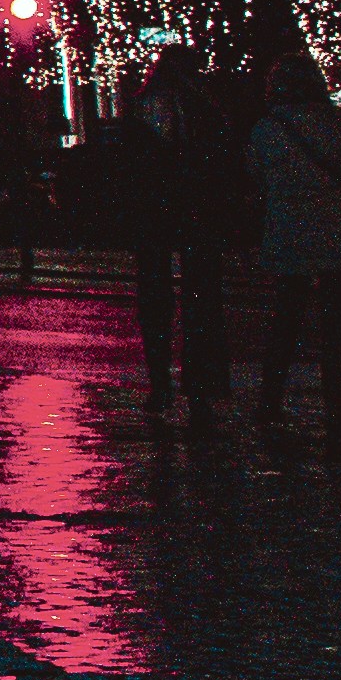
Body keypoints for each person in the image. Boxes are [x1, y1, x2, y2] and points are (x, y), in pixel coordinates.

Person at [248, 56, 341, 436]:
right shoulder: (335, 124)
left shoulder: (267, 129)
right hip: (335, 227)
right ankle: (336, 408)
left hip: (289, 229)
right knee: (336, 324)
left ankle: (271, 399)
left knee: (286, 319)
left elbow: (255, 179)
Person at [91, 68, 225, 425]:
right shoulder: (203, 113)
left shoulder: (142, 114)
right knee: (199, 302)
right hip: (194, 213)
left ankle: (161, 384)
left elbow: (125, 169)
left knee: (155, 300)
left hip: (154, 214)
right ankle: (197, 388)